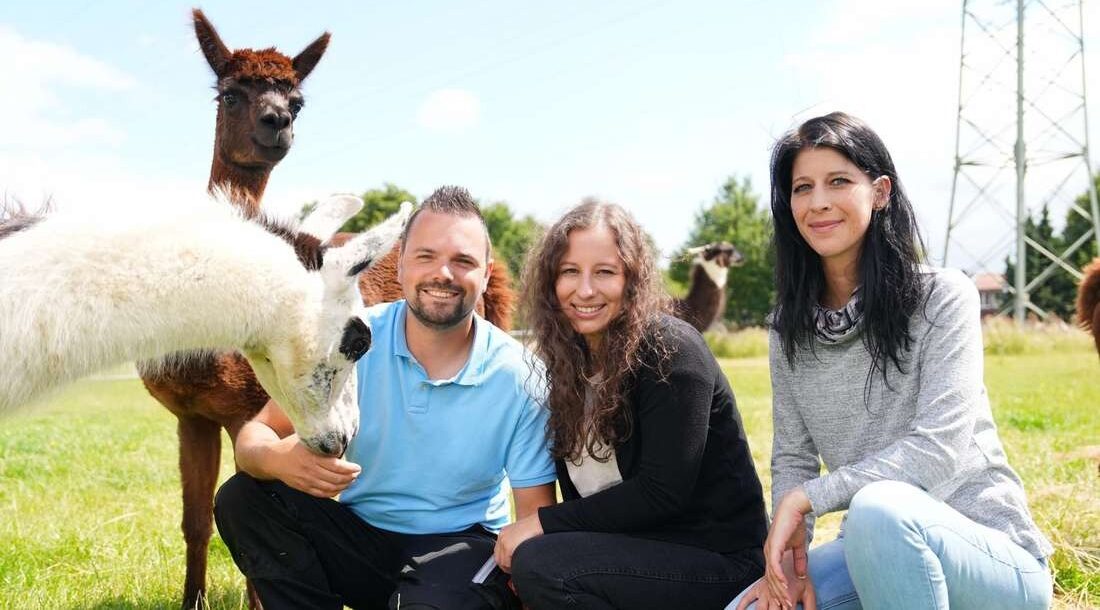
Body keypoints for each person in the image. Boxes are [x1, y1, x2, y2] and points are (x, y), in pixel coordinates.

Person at [730, 112, 1053, 610]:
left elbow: (937, 450)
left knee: (879, 509)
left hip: (993, 561)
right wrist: (792, 558)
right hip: (877, 551)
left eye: (839, 181)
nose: (818, 202)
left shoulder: (943, 297)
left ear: (880, 192)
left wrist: (811, 497)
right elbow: (793, 457)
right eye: (802, 188)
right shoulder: (786, 329)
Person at [213, 186, 557, 610]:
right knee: (242, 499)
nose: (443, 274)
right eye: (425, 256)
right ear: (400, 266)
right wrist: (278, 461)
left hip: (460, 549)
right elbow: (255, 436)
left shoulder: (519, 374)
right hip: (361, 538)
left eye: (463, 261)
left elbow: (533, 519)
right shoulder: (353, 341)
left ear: (486, 275)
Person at [495, 199, 769, 609]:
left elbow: (661, 493)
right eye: (569, 271)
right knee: (509, 573)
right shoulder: (567, 364)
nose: (584, 290)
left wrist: (541, 526)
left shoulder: (670, 351)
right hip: (639, 554)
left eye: (604, 272)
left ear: (632, 280)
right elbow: (587, 503)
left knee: (544, 564)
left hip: (721, 562)